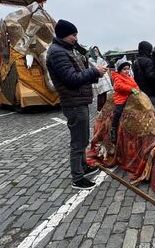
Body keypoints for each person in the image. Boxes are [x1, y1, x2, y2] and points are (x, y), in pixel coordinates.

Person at [46, 19, 108, 189]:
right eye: (73, 35)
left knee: (82, 139)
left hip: (79, 100)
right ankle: (77, 178)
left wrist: (95, 74)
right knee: (77, 141)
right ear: (64, 35)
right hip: (73, 102)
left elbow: (80, 74)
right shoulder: (58, 53)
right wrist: (94, 71)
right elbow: (72, 79)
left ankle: (83, 167)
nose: (76, 38)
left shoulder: (67, 50)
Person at [110, 58, 140, 142]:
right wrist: (131, 89)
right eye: (124, 69)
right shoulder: (117, 77)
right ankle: (113, 127)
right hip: (121, 99)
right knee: (118, 112)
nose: (127, 71)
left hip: (130, 98)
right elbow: (118, 87)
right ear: (120, 70)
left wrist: (137, 89)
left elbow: (135, 85)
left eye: (128, 69)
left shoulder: (129, 78)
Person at [132, 41, 155, 112]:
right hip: (150, 91)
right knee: (153, 110)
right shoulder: (148, 61)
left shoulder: (136, 61)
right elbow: (150, 75)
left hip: (141, 90)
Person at [88, 46, 113, 112]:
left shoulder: (101, 58)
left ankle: (104, 109)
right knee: (100, 94)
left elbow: (105, 65)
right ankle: (99, 109)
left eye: (97, 50)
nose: (96, 52)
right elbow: (96, 67)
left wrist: (103, 66)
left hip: (104, 77)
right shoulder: (91, 59)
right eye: (95, 50)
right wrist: (102, 66)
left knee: (104, 94)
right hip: (98, 78)